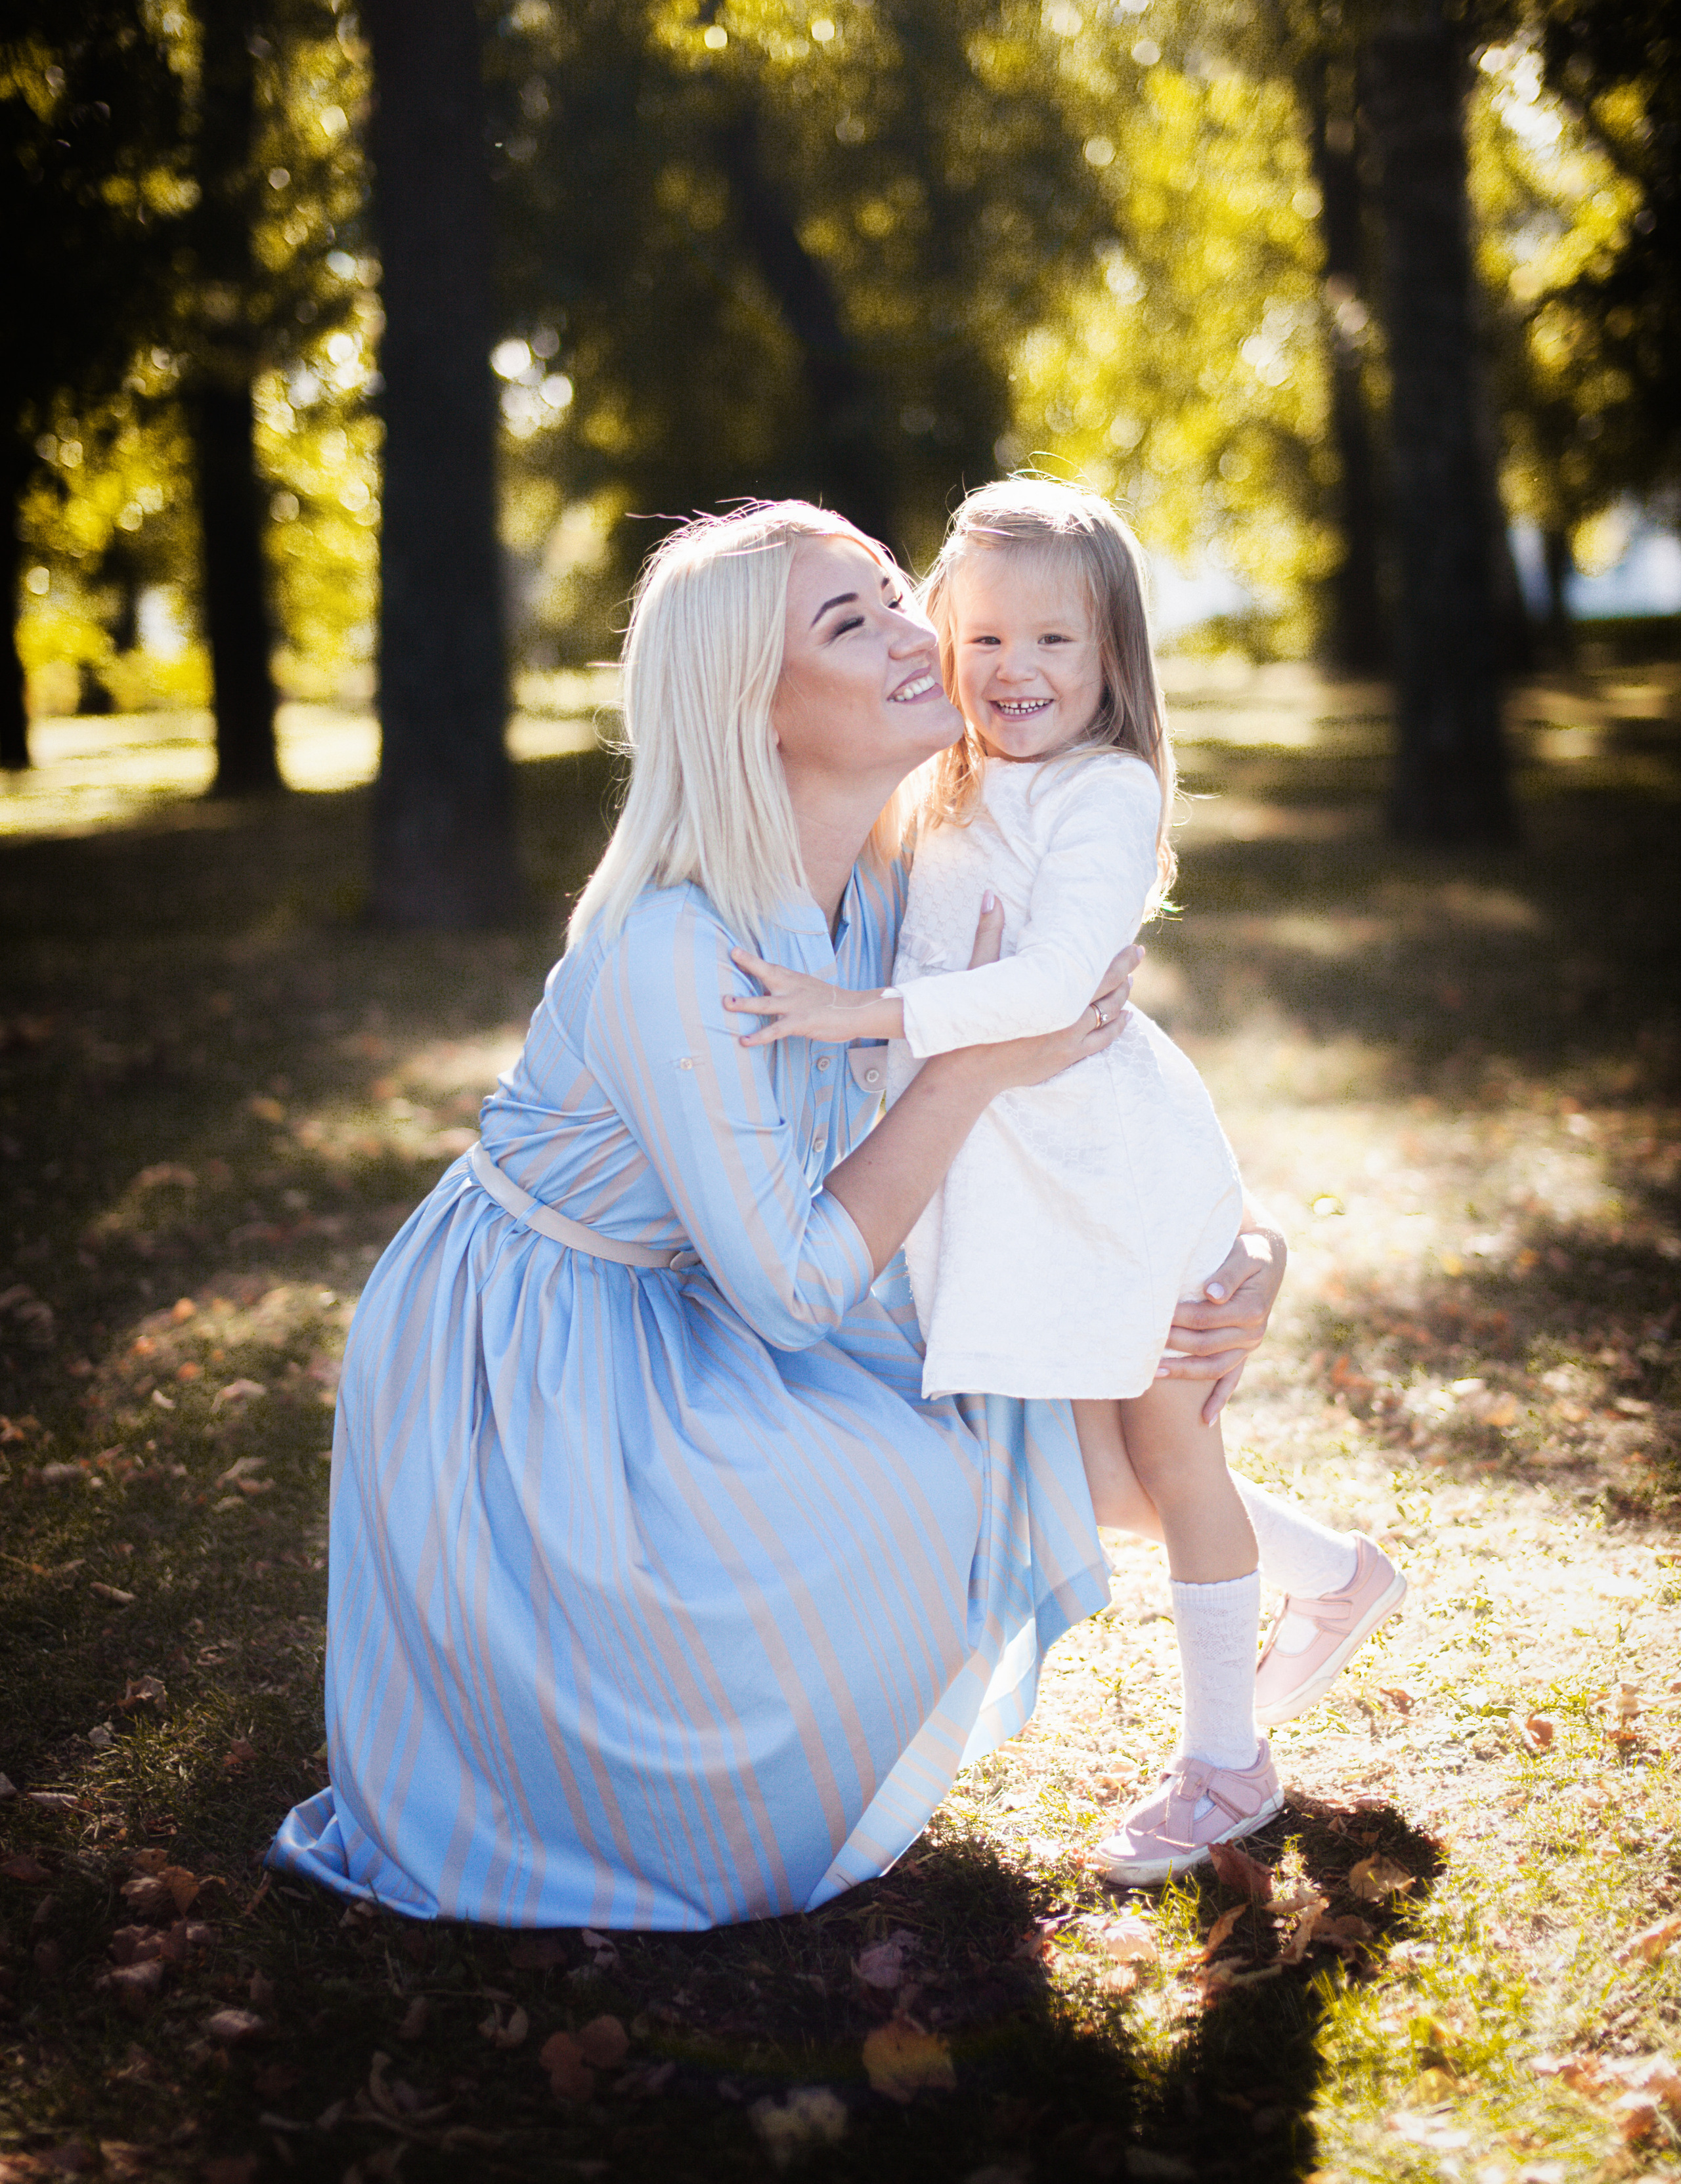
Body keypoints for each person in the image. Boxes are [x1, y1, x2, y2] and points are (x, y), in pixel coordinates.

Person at [269, 499, 1286, 1929]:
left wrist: (1241, 1244)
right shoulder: (679, 949)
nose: (911, 630)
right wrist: (969, 1067)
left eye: (890, 591)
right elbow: (799, 1290)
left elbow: (1086, 1049)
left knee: (1004, 1396)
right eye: (848, 619)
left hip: (695, 1286)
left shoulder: (883, 880)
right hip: (531, 1350)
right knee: (915, 1486)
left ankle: (1302, 1578)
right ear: (754, 704)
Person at [728, 482, 1405, 1884]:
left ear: (1110, 663)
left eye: (1053, 643)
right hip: (1026, 1179)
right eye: (981, 639)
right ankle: (1337, 1577)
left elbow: (1046, 988)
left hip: (1116, 1171)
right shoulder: (949, 781)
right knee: (1094, 1467)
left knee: (1164, 1449)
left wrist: (847, 1017)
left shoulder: (1102, 789)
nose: (1012, 673)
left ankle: (1226, 1765)